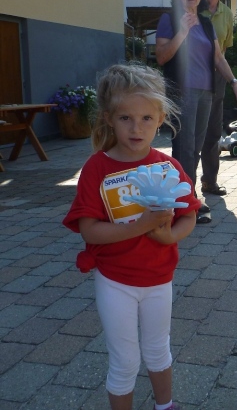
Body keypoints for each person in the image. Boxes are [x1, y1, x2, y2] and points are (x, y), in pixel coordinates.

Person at [63, 63, 200, 410]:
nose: (136, 128)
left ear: (160, 119)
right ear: (108, 118)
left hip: (159, 279)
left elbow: (189, 215)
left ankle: (165, 405)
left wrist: (169, 237)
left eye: (146, 118)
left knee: (158, 350)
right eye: (126, 118)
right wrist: (140, 226)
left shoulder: (167, 167)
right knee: (125, 360)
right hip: (116, 281)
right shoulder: (97, 168)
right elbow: (89, 229)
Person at [156, 0, 237, 224]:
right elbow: (161, 56)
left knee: (195, 147)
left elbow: (218, 57)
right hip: (182, 92)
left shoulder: (206, 23)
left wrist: (234, 82)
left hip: (206, 92)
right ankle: (187, 202)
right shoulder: (169, 20)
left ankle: (186, 195)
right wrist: (182, 31)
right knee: (184, 147)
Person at [200, 0, 236, 197]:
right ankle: (185, 185)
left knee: (214, 131)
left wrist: (230, 79)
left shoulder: (227, 14)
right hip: (193, 76)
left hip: (217, 77)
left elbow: (223, 50)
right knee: (192, 132)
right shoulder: (194, 8)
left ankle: (210, 181)